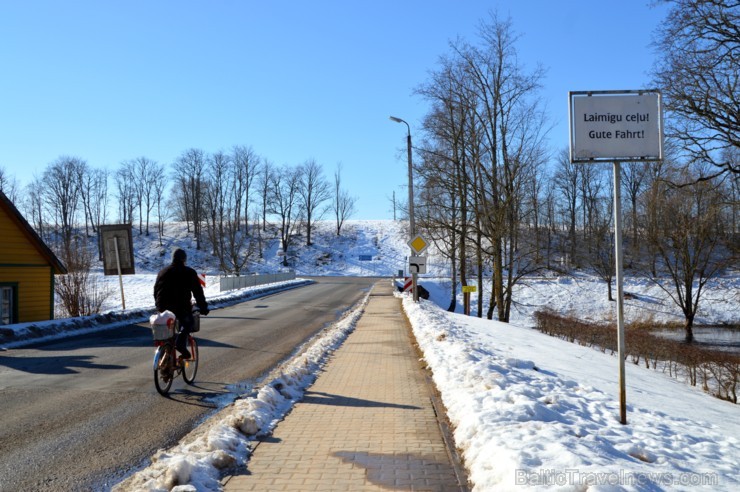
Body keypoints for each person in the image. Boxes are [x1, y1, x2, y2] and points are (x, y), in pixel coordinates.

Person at [153, 248, 209, 359]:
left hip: (163, 307)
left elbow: (156, 291)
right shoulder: (189, 272)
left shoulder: (162, 272)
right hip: (181, 307)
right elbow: (198, 292)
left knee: (167, 330)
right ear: (184, 260)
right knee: (188, 323)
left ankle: (165, 353)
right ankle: (180, 343)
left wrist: (159, 307)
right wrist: (203, 307)